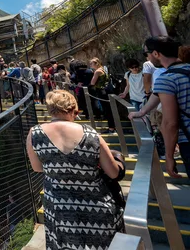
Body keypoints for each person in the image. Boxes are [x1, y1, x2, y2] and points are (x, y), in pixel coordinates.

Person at [27, 90, 124, 249]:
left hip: (59, 209)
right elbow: (113, 172)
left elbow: (37, 168)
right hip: (96, 207)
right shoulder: (90, 133)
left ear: (50, 110)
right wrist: (119, 161)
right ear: (73, 110)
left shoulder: (35, 134)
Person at [143, 36, 190, 178]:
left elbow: (170, 123)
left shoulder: (166, 79)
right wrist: (142, 111)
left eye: (147, 53)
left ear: (156, 53)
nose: (147, 57)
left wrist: (169, 157)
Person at [89, 58, 116, 133]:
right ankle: (112, 127)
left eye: (91, 64)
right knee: (108, 109)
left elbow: (92, 82)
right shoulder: (103, 69)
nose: (90, 65)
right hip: (106, 91)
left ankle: (111, 128)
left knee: (107, 110)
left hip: (101, 91)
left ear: (96, 63)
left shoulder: (97, 71)